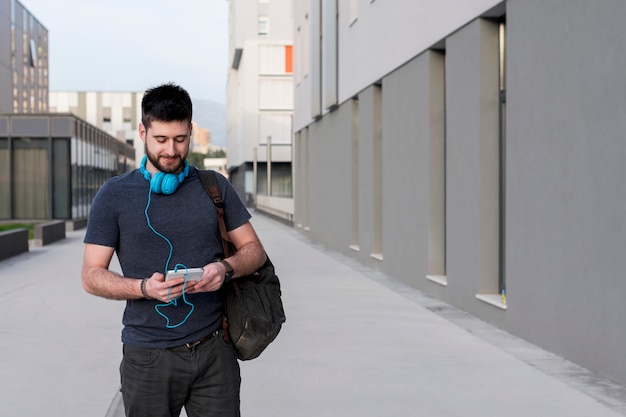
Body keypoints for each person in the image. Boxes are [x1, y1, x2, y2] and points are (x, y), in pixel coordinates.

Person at [81, 82, 266, 417]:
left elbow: (254, 251)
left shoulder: (214, 187)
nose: (171, 149)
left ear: (191, 131)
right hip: (148, 357)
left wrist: (224, 269)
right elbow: (91, 275)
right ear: (142, 131)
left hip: (215, 350)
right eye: (161, 139)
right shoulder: (113, 195)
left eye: (180, 139)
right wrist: (143, 288)